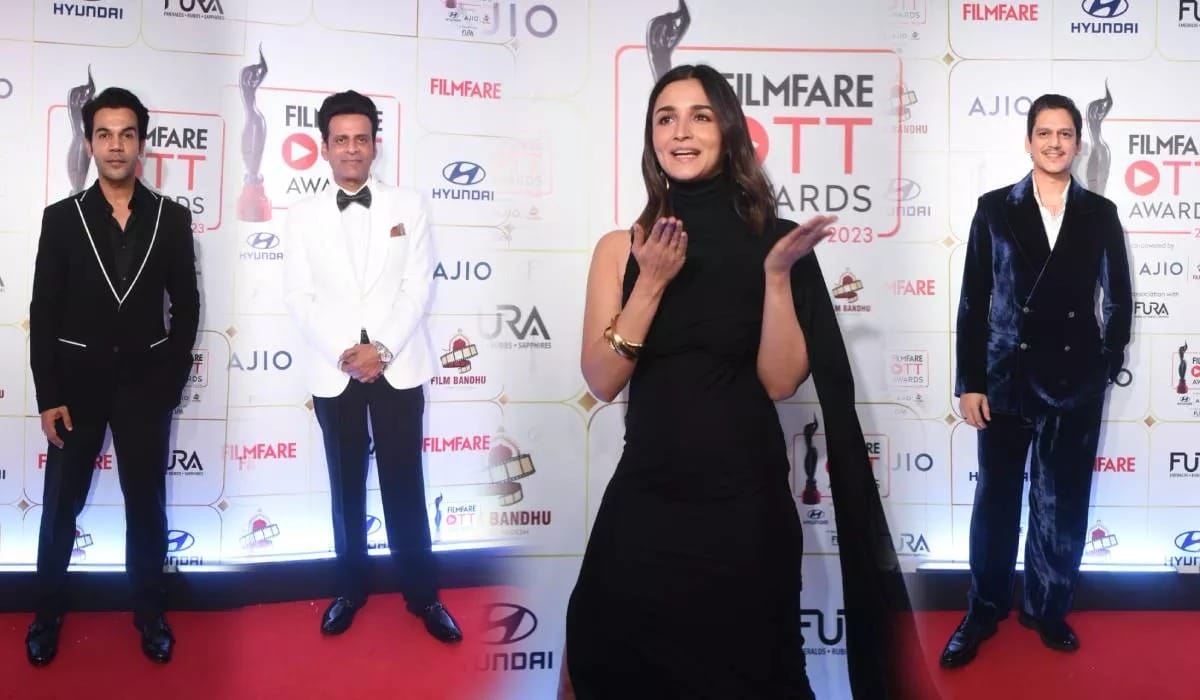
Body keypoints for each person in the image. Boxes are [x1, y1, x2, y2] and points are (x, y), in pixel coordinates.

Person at [562, 62, 846, 697]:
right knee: (603, 655)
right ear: (651, 137)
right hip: (648, 498)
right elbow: (602, 380)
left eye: (700, 116)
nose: (681, 132)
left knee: (747, 673)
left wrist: (777, 278)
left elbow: (780, 382)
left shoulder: (779, 243)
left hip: (745, 507)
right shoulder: (621, 248)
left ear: (729, 131)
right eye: (666, 118)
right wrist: (651, 284)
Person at [940, 93, 1132, 668]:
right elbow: (973, 301)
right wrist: (970, 381)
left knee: (1062, 503)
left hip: (1074, 381)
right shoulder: (994, 209)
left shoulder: (1100, 214)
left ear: (1078, 143)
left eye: (1065, 134)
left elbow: (1118, 299)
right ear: (1028, 141)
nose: (1055, 143)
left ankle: (1048, 609)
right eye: (1044, 133)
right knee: (995, 501)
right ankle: (983, 610)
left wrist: (1102, 364)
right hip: (1006, 379)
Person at [27, 87, 200, 665]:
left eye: (127, 134)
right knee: (60, 507)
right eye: (104, 134)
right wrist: (49, 395)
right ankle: (46, 613)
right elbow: (44, 312)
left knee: (146, 507)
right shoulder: (62, 219)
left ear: (142, 142)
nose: (116, 145)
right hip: (75, 390)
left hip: (146, 390)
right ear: (89, 143)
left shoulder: (171, 218)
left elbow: (187, 306)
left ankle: (149, 614)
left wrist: (171, 380)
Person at [282, 90, 461, 643]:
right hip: (334, 369)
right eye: (341, 140)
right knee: (345, 486)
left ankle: (423, 595)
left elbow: (417, 286)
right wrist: (349, 352)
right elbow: (299, 296)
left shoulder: (409, 205)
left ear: (375, 145)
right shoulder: (302, 215)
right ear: (324, 147)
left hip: (397, 364)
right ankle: (349, 590)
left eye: (361, 139)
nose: (352, 149)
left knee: (405, 482)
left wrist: (380, 349)